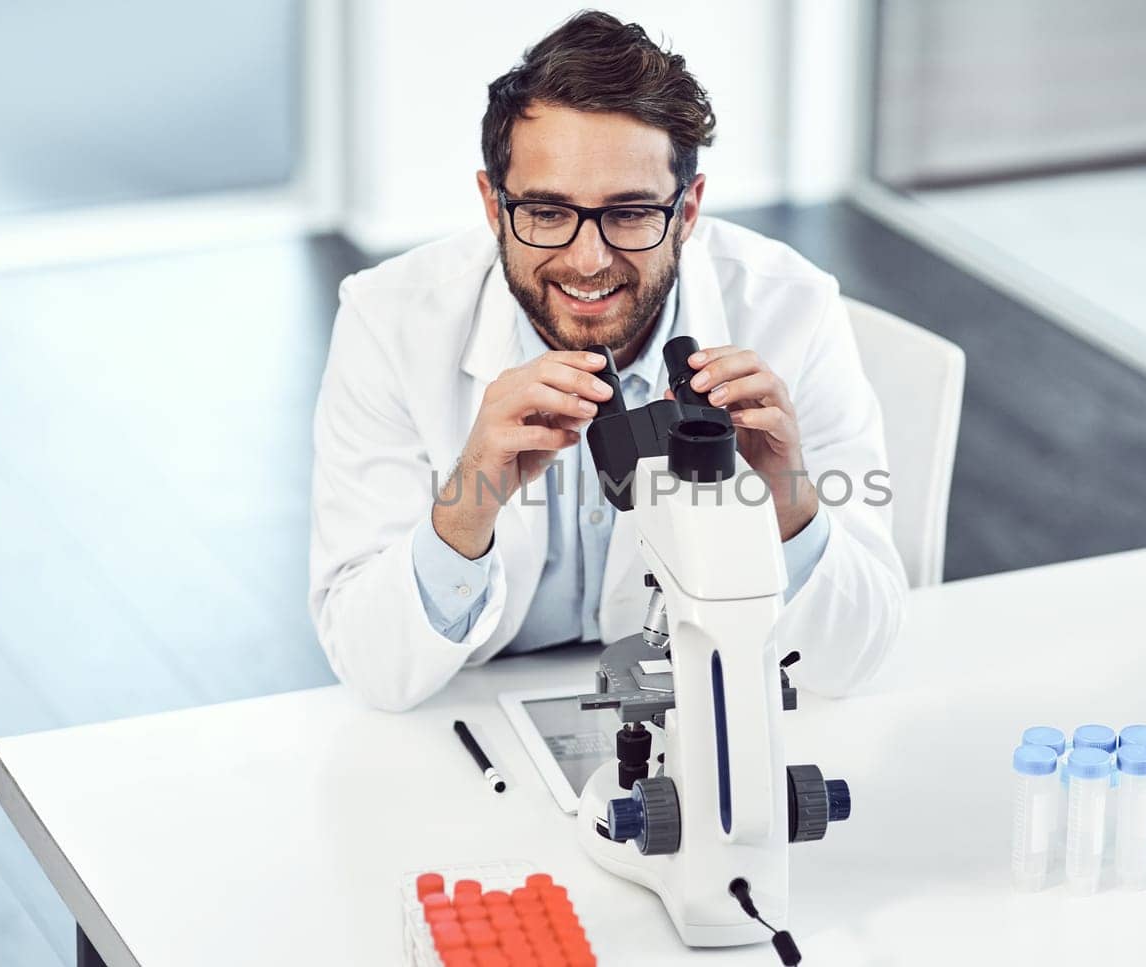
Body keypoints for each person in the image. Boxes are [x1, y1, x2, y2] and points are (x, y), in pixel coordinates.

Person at [309, 11, 906, 711]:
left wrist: (787, 497)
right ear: (493, 207)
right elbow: (372, 664)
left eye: (629, 213)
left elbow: (854, 660)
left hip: (700, 697)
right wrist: (469, 497)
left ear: (687, 212)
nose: (588, 260)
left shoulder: (794, 311)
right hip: (473, 712)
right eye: (547, 212)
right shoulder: (389, 319)